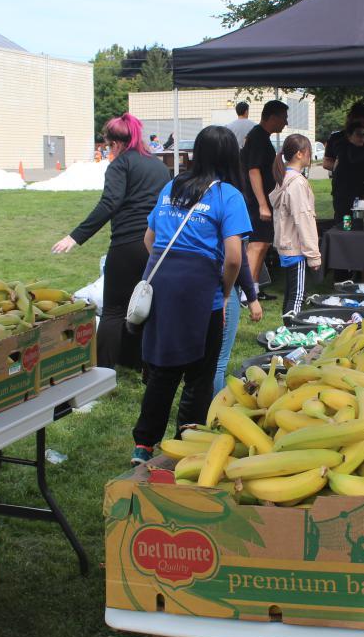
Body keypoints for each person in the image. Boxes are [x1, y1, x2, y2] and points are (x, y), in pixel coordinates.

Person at [131, 125, 251, 465]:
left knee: (163, 369)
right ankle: (188, 440)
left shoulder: (171, 187)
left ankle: (143, 445)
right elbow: (233, 257)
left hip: (162, 284)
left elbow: (148, 240)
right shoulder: (228, 196)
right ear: (231, 157)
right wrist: (225, 292)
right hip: (200, 290)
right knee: (200, 372)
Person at [52, 114, 170, 371]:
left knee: (115, 310)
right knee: (146, 306)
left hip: (127, 245)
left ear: (116, 142)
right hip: (157, 246)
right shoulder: (160, 167)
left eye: (107, 144)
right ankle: (142, 364)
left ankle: (103, 370)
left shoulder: (120, 165)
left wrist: (75, 236)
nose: (106, 149)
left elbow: (109, 203)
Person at [270, 134, 323, 321]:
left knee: (291, 292)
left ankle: (286, 331)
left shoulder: (284, 177)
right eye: (309, 151)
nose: (311, 155)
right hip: (296, 247)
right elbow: (304, 220)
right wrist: (314, 256)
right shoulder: (297, 183)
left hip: (286, 245)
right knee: (298, 296)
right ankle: (292, 335)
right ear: (300, 154)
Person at [241, 100, 289, 286]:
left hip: (263, 202)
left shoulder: (262, 136)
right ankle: (247, 291)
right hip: (255, 202)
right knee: (257, 244)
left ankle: (254, 287)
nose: (286, 122)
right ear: (272, 117)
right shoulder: (257, 137)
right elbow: (253, 170)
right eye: (283, 118)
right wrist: (262, 204)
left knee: (264, 243)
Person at [213, 248, 263, 395]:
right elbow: (236, 258)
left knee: (207, 357)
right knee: (218, 360)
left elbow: (149, 239)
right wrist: (252, 298)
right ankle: (214, 411)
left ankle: (216, 404)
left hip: (196, 284)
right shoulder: (228, 224)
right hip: (221, 286)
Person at [327, 121, 364, 222]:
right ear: (349, 135)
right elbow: (353, 157)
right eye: (358, 134)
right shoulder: (341, 147)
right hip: (344, 196)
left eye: (363, 135)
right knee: (344, 224)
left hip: (358, 194)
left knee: (359, 223)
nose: (362, 137)